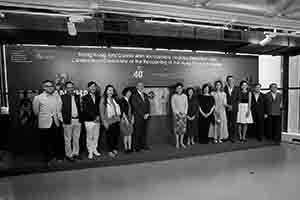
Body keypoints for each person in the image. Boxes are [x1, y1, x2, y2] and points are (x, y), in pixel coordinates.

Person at [32, 80, 63, 165]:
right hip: (44, 123)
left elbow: (59, 108)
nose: (49, 87)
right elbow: (36, 112)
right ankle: (46, 159)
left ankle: (55, 157)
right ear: (43, 87)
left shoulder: (56, 97)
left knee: (55, 141)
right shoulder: (38, 98)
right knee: (45, 142)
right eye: (47, 86)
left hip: (55, 122)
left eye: (51, 86)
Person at [60, 81, 82, 162]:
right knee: (68, 139)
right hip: (67, 121)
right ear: (65, 88)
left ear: (73, 88)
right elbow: (59, 110)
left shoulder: (77, 96)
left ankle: (75, 154)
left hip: (78, 120)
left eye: (72, 87)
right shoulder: (62, 97)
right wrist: (62, 120)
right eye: (68, 87)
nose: (70, 89)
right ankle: (69, 155)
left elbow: (81, 108)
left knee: (76, 138)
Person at [100, 85, 121, 158]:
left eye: (112, 90)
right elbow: (102, 113)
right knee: (109, 137)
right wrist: (104, 122)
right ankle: (110, 150)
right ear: (106, 91)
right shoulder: (103, 100)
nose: (110, 92)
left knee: (115, 136)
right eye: (109, 90)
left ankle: (114, 148)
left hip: (116, 120)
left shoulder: (114, 99)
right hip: (108, 122)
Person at [82, 81, 101, 160]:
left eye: (94, 86)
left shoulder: (99, 97)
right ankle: (90, 151)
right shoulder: (84, 97)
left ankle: (94, 149)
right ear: (88, 88)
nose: (93, 88)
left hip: (98, 120)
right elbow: (86, 109)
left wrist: (99, 116)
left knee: (96, 136)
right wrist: (94, 117)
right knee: (89, 137)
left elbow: (100, 108)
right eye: (91, 86)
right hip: (89, 120)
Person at [131, 82, 150, 152]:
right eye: (139, 86)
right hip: (138, 117)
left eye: (142, 86)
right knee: (137, 132)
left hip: (146, 117)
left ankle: (143, 146)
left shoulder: (145, 95)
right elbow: (136, 107)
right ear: (136, 87)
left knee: (144, 132)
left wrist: (148, 113)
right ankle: (137, 147)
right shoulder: (134, 96)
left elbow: (148, 105)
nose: (141, 87)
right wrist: (143, 115)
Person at [171, 83, 188, 148]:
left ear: (182, 89)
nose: (179, 89)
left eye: (180, 88)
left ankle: (181, 142)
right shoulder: (173, 96)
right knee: (177, 129)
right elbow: (173, 106)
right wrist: (178, 113)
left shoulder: (185, 96)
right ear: (176, 89)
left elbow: (186, 105)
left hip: (184, 115)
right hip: (176, 115)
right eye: (178, 88)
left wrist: (184, 113)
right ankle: (177, 143)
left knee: (183, 129)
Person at [224, 75, 239, 142]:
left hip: (234, 109)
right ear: (227, 81)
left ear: (233, 81)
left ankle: (233, 137)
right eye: (229, 80)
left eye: (231, 80)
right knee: (227, 123)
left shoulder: (237, 88)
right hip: (226, 109)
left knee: (233, 123)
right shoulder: (224, 88)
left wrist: (232, 106)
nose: (230, 81)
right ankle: (227, 136)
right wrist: (228, 106)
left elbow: (239, 100)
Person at [119, 87, 134, 153]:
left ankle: (130, 148)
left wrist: (133, 118)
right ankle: (126, 148)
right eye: (128, 92)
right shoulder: (122, 100)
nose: (129, 93)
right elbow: (122, 111)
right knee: (125, 134)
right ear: (125, 93)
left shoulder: (130, 100)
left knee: (130, 134)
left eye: (130, 92)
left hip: (130, 118)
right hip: (124, 119)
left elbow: (133, 110)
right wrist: (126, 120)